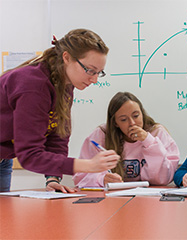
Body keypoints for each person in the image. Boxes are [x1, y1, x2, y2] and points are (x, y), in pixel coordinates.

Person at [0, 29, 120, 192]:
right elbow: (29, 155)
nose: (95, 79)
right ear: (66, 58)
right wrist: (88, 165)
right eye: (90, 70)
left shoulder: (64, 85)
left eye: (99, 73)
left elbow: (58, 135)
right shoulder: (33, 85)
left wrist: (53, 177)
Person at [73, 92, 180, 188]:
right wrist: (101, 179)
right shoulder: (101, 135)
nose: (132, 123)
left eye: (136, 116)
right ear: (115, 123)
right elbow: (80, 176)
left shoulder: (157, 133)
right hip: (112, 199)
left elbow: (164, 179)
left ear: (142, 114)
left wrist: (148, 141)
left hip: (149, 198)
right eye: (124, 120)